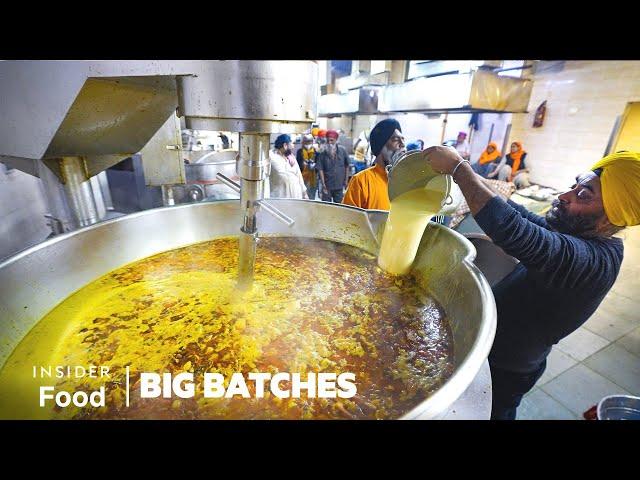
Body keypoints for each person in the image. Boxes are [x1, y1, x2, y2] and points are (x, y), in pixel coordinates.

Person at [426, 147, 640, 420]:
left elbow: (515, 230)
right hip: (498, 350)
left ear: (613, 215)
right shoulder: (581, 232)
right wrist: (469, 180)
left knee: (494, 412)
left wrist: (458, 168)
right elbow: (525, 219)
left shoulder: (592, 261)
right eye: (574, 186)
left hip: (508, 366)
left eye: (583, 195)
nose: (565, 196)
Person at [342, 118, 405, 210]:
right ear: (380, 147)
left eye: (403, 139)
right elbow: (347, 219)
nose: (403, 144)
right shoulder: (362, 182)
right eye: (396, 140)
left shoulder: (406, 181)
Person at [267, 134, 308, 199]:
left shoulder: (291, 157)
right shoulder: (271, 156)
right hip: (279, 199)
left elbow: (299, 176)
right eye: (291, 144)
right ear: (285, 145)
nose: (293, 147)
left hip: (296, 197)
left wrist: (305, 194)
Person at [317, 129, 350, 203]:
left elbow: (347, 165)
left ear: (336, 140)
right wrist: (323, 184)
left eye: (331, 140)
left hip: (339, 184)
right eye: (328, 140)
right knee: (326, 206)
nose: (329, 143)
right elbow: (320, 169)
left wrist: (346, 180)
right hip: (327, 185)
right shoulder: (322, 152)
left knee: (340, 206)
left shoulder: (342, 151)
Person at [296, 134, 318, 200]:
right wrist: (303, 164)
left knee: (311, 197)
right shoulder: (299, 152)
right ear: (303, 142)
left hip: (313, 179)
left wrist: (314, 165)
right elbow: (298, 165)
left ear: (312, 142)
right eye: (306, 141)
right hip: (303, 178)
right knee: (303, 196)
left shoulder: (316, 152)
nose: (308, 143)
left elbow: (319, 165)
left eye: (310, 141)